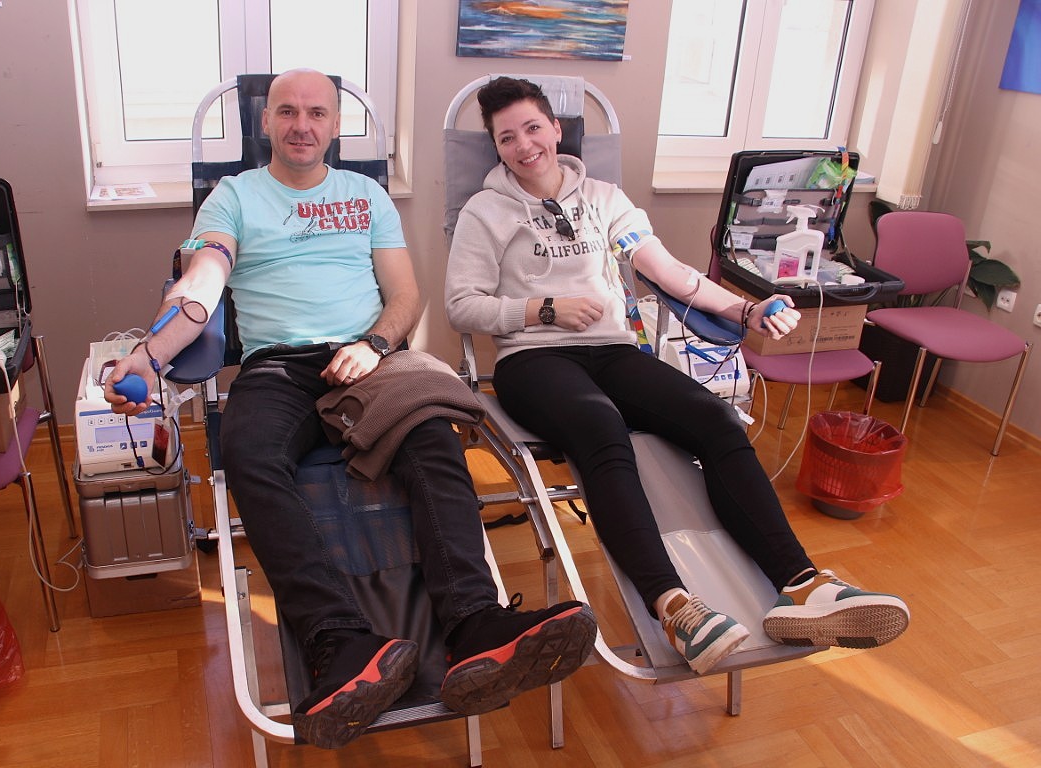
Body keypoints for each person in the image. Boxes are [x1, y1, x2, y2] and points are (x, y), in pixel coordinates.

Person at [104, 69, 595, 750]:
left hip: (371, 359)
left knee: (433, 436)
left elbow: (406, 297)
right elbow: (202, 281)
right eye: (287, 111)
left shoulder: (365, 196)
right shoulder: (234, 196)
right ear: (266, 122)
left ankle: (476, 624)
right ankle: (339, 641)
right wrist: (149, 355)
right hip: (277, 366)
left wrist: (374, 345)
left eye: (317, 113)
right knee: (248, 455)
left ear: (336, 126)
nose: (301, 125)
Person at [445, 76, 909, 676]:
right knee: (601, 430)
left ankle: (802, 586)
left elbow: (670, 273)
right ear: (496, 147)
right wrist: (544, 310)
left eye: (533, 128)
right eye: (507, 137)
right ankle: (673, 605)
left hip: (613, 351)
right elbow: (463, 305)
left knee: (716, 420)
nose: (523, 145)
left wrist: (745, 310)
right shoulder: (485, 211)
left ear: (556, 130)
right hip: (532, 361)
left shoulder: (606, 199)